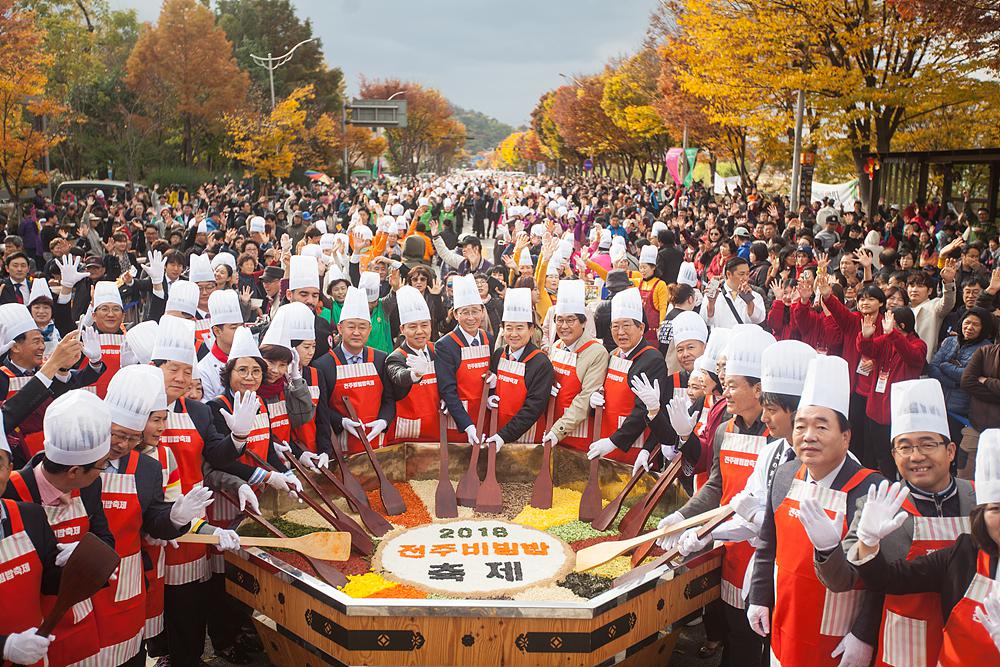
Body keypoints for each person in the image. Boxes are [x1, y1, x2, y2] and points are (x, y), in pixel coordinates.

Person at [812, 378, 977, 667]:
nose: (916, 456)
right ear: (893, 455)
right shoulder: (878, 503)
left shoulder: (979, 500)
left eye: (927, 444)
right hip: (904, 644)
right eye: (905, 447)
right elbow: (842, 580)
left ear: (950, 451)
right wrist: (828, 548)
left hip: (968, 641)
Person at [747, 355, 885, 667]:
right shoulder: (785, 474)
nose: (809, 436)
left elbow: (879, 575)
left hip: (838, 636)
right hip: (785, 619)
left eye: (821, 426)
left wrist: (864, 634)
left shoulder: (869, 488)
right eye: (801, 426)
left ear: (846, 437)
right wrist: (759, 597)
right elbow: (768, 544)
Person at [656, 324, 776, 666]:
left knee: (756, 638)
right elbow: (716, 485)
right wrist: (683, 516)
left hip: (761, 549)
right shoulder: (725, 429)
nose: (726, 393)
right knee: (731, 626)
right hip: (724, 543)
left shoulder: (777, 436)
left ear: (758, 389)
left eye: (733, 386)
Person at [96, 365, 213, 666]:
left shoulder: (146, 467)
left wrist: (175, 518)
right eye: (117, 435)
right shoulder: (81, 461)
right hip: (84, 577)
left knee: (129, 649)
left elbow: (154, 518)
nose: (123, 445)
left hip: (130, 575)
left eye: (132, 438)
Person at [3, 390, 114, 666]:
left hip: (75, 621)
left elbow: (104, 536)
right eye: (101, 467)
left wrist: (90, 559)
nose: (102, 472)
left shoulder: (89, 486)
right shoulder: (14, 496)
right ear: (74, 472)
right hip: (28, 634)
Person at [0, 425, 60, 667]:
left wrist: (78, 565)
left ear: (9, 469)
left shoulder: (29, 516)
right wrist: (4, 646)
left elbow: (50, 583)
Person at [587, 287, 668, 466]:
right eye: (615, 326)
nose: (620, 332)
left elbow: (643, 409)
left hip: (633, 447)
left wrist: (613, 442)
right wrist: (594, 400)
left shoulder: (652, 359)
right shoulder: (613, 354)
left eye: (626, 326)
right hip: (606, 439)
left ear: (641, 328)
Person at [314, 286, 395, 455]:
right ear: (340, 328)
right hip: (341, 452)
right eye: (351, 327)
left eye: (362, 327)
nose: (357, 332)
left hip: (379, 448)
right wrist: (341, 421)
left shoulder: (381, 359)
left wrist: (383, 421)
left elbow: (389, 401)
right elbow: (321, 409)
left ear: (369, 330)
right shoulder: (323, 365)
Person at [543, 280, 609, 453]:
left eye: (570, 320)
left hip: (577, 434)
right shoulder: (556, 346)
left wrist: (558, 430)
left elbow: (585, 398)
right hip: (550, 428)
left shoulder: (596, 352)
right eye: (559, 320)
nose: (564, 326)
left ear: (583, 322)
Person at [484, 288, 554, 448]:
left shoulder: (541, 363)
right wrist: (490, 395)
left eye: (520, 328)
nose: (513, 334)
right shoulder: (499, 354)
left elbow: (533, 408)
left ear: (531, 330)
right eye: (509, 328)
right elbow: (492, 390)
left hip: (528, 441)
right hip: (496, 433)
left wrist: (504, 436)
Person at [434, 274, 494, 445]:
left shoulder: (488, 338)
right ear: (455, 314)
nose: (471, 317)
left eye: (475, 311)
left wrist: (492, 394)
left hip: (485, 417)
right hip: (459, 421)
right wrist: (467, 425)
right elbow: (447, 390)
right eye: (465, 312)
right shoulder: (445, 345)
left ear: (482, 312)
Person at [384, 286, 441, 443]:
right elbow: (398, 375)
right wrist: (414, 374)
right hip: (407, 433)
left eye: (424, 325)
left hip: (437, 427)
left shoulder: (438, 350)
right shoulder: (396, 357)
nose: (420, 331)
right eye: (413, 326)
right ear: (402, 329)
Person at [194, 289, 244, 402]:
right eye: (234, 327)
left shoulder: (251, 359)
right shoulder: (204, 369)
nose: (240, 331)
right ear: (217, 331)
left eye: (241, 326)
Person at [701, 257, 766, 328]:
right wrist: (711, 303)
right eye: (741, 274)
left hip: (744, 334)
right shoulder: (714, 293)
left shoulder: (754, 295)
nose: (745, 278)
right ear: (728, 274)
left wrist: (749, 302)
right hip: (722, 334)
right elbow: (706, 321)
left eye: (747, 274)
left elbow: (759, 319)